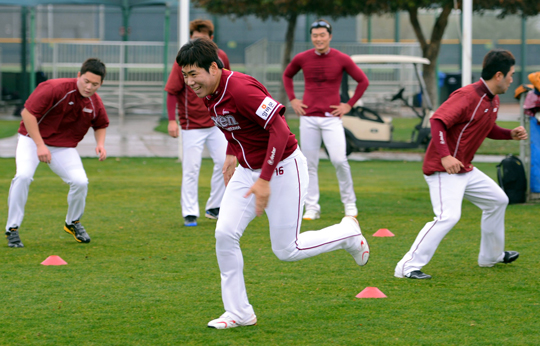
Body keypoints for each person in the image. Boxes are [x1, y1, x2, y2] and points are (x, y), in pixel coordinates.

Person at [176, 38, 370, 329]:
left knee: (287, 250)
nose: (189, 82)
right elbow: (235, 126)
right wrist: (232, 154)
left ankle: (346, 234)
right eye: (184, 75)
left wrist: (265, 179)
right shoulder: (207, 93)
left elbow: (279, 130)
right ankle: (239, 312)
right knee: (224, 234)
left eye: (194, 74)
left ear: (214, 68)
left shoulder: (240, 89)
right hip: (247, 170)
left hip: (283, 167)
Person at [395, 49, 528, 280]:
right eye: (511, 75)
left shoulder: (492, 99)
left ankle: (491, 256)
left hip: (464, 168)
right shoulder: (468, 95)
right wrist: (445, 155)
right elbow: (437, 120)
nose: (511, 79)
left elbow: (486, 128)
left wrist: (509, 134)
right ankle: (406, 267)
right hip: (442, 168)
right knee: (448, 216)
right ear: (499, 75)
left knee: (498, 200)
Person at [5, 58, 109, 248]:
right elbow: (27, 114)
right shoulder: (53, 88)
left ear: (101, 84)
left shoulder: (95, 102)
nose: (89, 87)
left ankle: (72, 222)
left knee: (80, 182)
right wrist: (40, 145)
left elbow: (100, 124)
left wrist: (100, 144)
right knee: (23, 176)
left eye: (95, 84)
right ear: (79, 75)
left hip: (62, 147)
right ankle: (12, 229)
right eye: (86, 81)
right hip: (31, 139)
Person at [283, 19, 369, 221]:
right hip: (308, 118)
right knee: (309, 164)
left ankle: (350, 204)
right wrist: (293, 100)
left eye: (322, 35)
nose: (319, 39)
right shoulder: (302, 58)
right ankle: (312, 207)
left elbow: (363, 81)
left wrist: (348, 105)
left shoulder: (342, 58)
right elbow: (287, 76)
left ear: (329, 36)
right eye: (315, 35)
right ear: (311, 37)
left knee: (339, 160)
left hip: (332, 119)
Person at [165, 19, 230, 227]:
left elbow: (227, 84)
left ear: (211, 40)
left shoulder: (221, 58)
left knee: (225, 163)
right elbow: (172, 91)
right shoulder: (184, 60)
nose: (197, 43)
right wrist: (171, 121)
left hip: (216, 122)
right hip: (191, 124)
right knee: (191, 168)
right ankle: (190, 212)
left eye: (201, 39)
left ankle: (215, 206)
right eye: (194, 38)